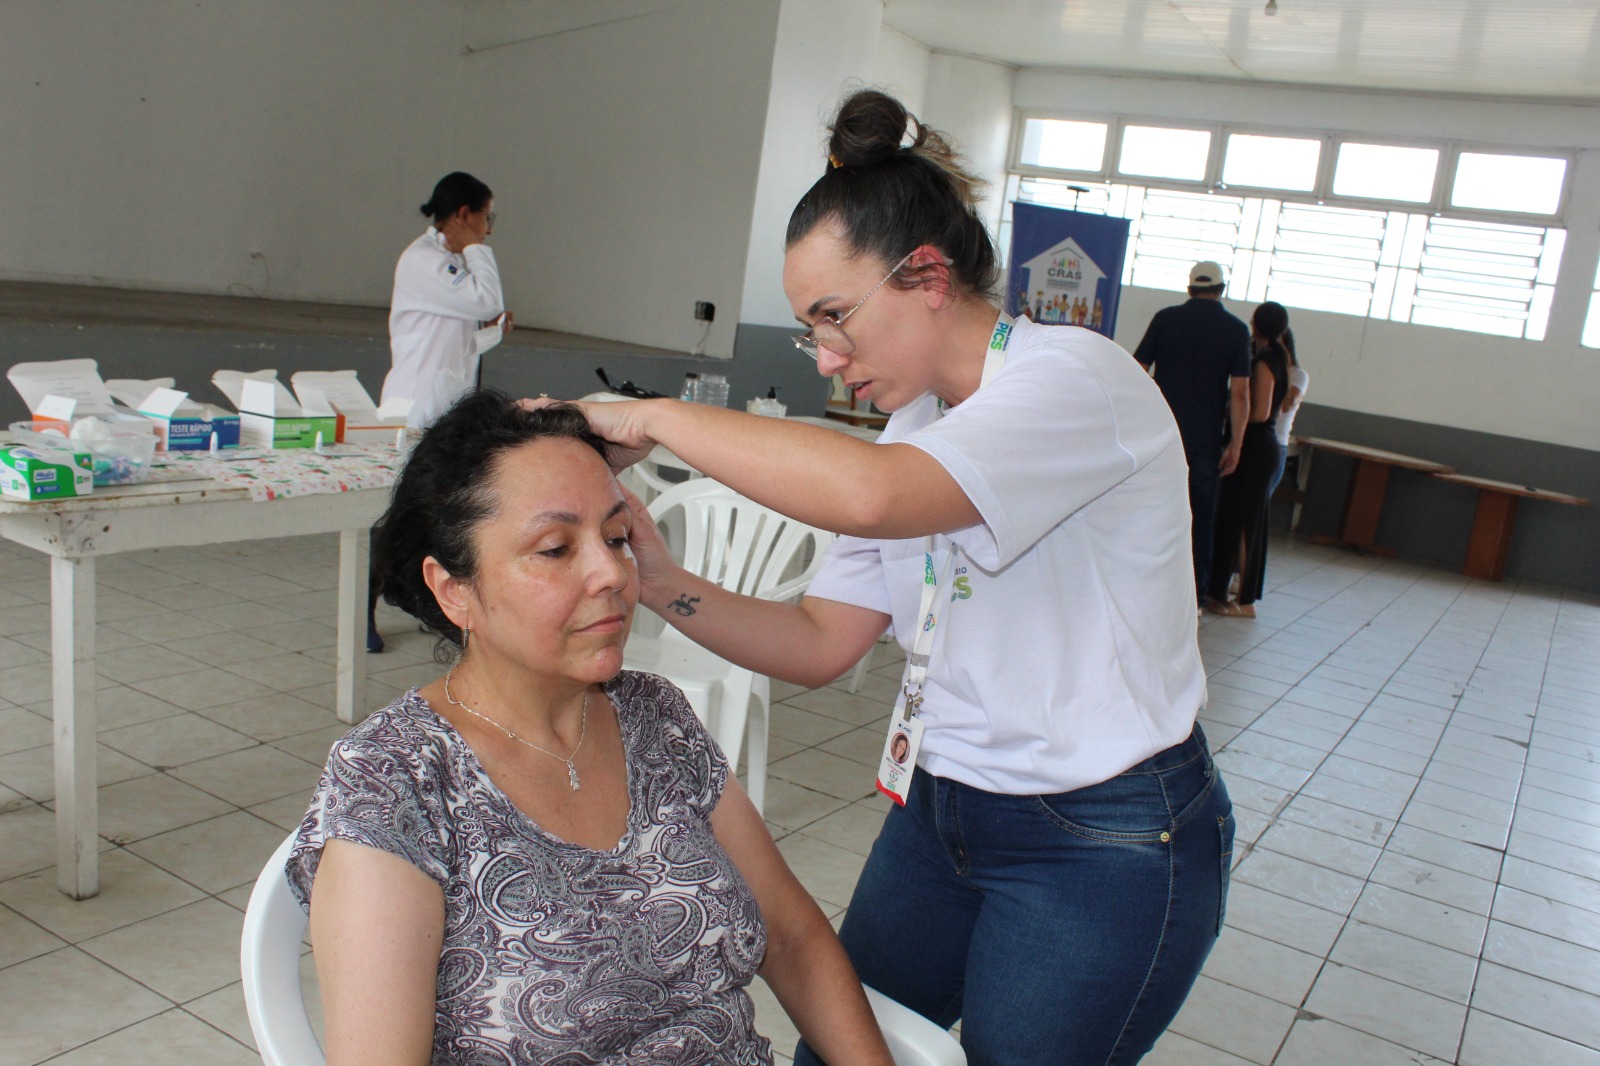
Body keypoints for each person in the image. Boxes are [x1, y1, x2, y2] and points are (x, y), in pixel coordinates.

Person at [545, 89, 1233, 1066]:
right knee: (835, 1051)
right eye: (808, 330)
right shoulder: (917, 424)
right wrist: (657, 579)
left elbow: (869, 493)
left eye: (837, 319)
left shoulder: (1075, 381)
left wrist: (653, 417)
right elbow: (820, 641)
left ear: (926, 274)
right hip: (944, 809)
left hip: (1098, 836)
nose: (828, 360)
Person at [290, 391, 894, 1066]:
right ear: (453, 589)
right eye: (554, 549)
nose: (611, 573)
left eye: (615, 538)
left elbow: (792, 938)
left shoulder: (653, 719)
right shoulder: (397, 783)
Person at [370, 171, 514, 653]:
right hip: (415, 406)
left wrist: (492, 331)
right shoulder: (425, 260)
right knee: (391, 516)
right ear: (463, 215)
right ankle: (362, 614)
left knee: (435, 514)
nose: (488, 230)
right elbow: (487, 297)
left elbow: (459, 342)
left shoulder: (447, 267)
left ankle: (423, 603)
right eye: (485, 218)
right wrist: (477, 251)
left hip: (443, 403)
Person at [1133, 261, 1251, 600]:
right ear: (1222, 290)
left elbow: (1138, 369)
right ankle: (1193, 595)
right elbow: (1241, 394)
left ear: (1189, 289)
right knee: (1200, 517)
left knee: (1151, 508)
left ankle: (1144, 584)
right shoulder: (1236, 330)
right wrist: (1236, 444)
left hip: (1160, 435)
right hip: (1204, 440)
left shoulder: (1165, 319)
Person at [1205, 303, 1291, 619]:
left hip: (1255, 446)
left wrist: (1229, 408)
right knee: (1238, 520)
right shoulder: (1281, 357)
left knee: (1242, 523)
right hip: (1260, 446)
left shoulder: (1266, 362)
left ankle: (1243, 601)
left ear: (1256, 326)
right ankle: (1225, 591)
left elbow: (1261, 412)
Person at [1267, 327, 1309, 499]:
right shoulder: (1259, 367)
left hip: (1277, 440)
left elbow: (1287, 404)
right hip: (1254, 438)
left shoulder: (1298, 375)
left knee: (1261, 500)